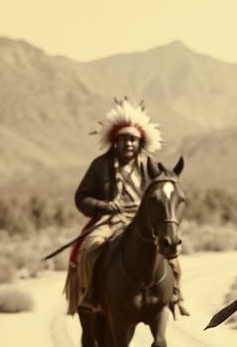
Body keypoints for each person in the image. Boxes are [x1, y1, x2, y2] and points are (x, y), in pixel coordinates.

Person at [64, 98, 189, 317]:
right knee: (91, 247)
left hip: (142, 221)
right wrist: (103, 205)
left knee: (173, 255)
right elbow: (81, 197)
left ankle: (175, 293)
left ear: (139, 142)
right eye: (124, 140)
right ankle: (91, 292)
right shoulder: (100, 165)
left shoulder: (148, 165)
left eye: (133, 140)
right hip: (109, 220)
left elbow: (161, 194)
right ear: (115, 142)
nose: (129, 144)